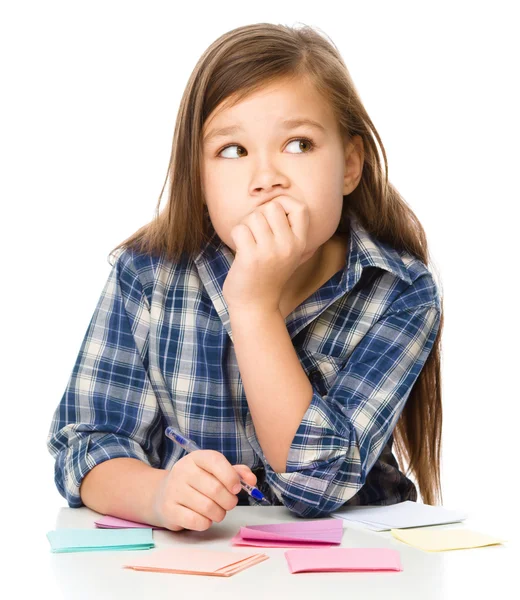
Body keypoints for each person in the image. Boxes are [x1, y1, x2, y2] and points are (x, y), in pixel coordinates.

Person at [47, 22, 444, 532]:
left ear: (349, 165)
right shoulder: (147, 276)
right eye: (233, 151)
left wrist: (253, 306)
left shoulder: (399, 291)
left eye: (298, 144)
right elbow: (86, 445)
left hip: (349, 564)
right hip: (194, 566)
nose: (266, 177)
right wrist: (158, 493)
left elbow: (314, 486)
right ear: (201, 179)